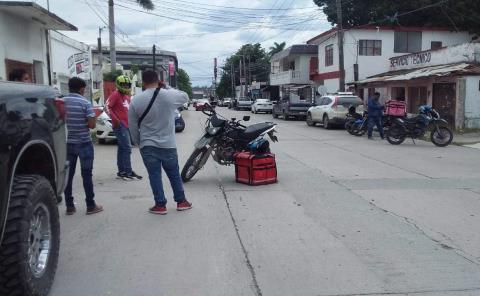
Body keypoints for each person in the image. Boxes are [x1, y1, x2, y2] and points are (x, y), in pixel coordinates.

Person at [128, 70, 192, 215]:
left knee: (154, 175)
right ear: (158, 80)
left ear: (143, 82)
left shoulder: (136, 100)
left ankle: (160, 205)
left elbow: (132, 126)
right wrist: (167, 87)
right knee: (174, 173)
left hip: (148, 145)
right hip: (168, 144)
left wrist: (139, 142)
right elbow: (185, 96)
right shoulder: (168, 95)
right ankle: (181, 202)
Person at [63, 77, 103, 215]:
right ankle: (91, 206)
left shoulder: (61, 102)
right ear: (81, 89)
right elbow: (92, 125)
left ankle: (69, 206)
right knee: (87, 174)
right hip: (84, 143)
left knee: (68, 175)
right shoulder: (85, 103)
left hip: (68, 143)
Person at [107, 75, 142, 180]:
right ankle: (128, 171)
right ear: (119, 84)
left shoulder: (127, 96)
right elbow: (107, 107)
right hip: (120, 125)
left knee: (122, 148)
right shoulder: (115, 94)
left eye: (127, 84)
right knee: (127, 148)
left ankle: (122, 171)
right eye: (124, 84)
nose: (126, 86)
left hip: (127, 125)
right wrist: (115, 119)